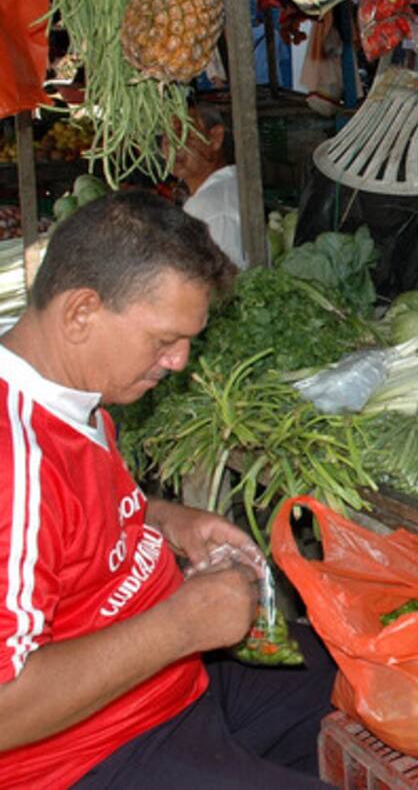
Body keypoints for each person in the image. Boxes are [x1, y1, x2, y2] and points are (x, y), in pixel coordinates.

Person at [0, 192, 336, 788]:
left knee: (352, 676)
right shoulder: (14, 458)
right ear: (82, 313)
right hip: (91, 754)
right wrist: (183, 625)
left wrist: (162, 520)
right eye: (163, 341)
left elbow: (64, 529)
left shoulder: (72, 391)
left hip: (172, 683)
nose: (179, 362)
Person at [165, 104, 249, 271]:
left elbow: (221, 284)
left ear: (215, 138)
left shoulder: (213, 207)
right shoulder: (228, 188)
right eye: (167, 136)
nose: (173, 145)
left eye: (184, 133)